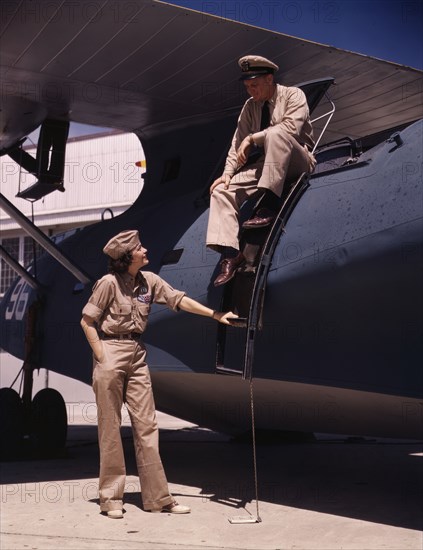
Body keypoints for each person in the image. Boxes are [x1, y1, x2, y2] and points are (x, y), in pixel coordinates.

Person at [80, 229, 237, 518]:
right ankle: (111, 499)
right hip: (111, 350)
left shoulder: (149, 281)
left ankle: (158, 499)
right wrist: (102, 356)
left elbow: (179, 300)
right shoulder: (108, 284)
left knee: (147, 427)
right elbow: (87, 320)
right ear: (127, 257)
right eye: (140, 248)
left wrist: (216, 315)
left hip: (137, 354)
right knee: (110, 428)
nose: (145, 250)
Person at [206, 55, 317, 286]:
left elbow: (290, 130)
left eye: (254, 85)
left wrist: (253, 138)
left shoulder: (293, 95)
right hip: (269, 163)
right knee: (221, 192)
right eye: (247, 86)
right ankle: (230, 255)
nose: (250, 91)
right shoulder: (250, 107)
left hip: (298, 159)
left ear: (269, 79)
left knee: (277, 133)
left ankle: (268, 205)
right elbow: (237, 144)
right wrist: (227, 174)